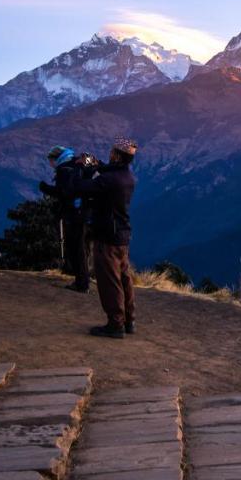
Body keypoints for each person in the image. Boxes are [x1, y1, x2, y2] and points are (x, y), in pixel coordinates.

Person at [73, 137, 138, 338]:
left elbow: (81, 187)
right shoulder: (127, 176)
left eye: (112, 152)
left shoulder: (108, 180)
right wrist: (97, 163)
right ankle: (128, 320)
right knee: (124, 277)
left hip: (107, 236)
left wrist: (81, 169)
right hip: (122, 234)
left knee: (109, 279)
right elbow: (110, 171)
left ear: (117, 156)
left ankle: (115, 324)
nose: (109, 154)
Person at [39, 145, 91, 293]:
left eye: (50, 160)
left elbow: (64, 193)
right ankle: (83, 280)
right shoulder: (76, 162)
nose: (50, 164)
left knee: (75, 248)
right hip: (85, 212)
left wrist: (45, 188)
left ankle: (81, 283)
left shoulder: (64, 170)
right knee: (80, 247)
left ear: (55, 158)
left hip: (73, 214)